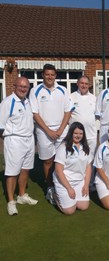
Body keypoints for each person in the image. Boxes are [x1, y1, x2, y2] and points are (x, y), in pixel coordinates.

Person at [29, 63, 73, 204]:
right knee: (48, 161)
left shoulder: (63, 90)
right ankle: (50, 187)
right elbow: (35, 114)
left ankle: (62, 184)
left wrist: (60, 130)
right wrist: (48, 131)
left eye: (52, 75)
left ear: (55, 76)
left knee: (62, 160)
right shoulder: (34, 91)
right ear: (43, 75)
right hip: (43, 132)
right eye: (47, 74)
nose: (50, 77)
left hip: (62, 130)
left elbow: (68, 111)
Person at [0, 77, 38, 215]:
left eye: (26, 87)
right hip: (14, 141)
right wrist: (9, 140)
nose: (23, 89)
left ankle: (22, 196)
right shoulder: (7, 102)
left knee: (25, 169)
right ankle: (11, 201)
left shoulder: (27, 101)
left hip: (29, 139)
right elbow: (0, 126)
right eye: (21, 86)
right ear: (14, 86)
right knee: (12, 172)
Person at [52, 122, 92, 215]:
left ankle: (71, 198)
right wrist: (69, 188)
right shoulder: (63, 147)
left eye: (81, 134)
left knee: (83, 206)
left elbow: (88, 167)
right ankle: (54, 195)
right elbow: (58, 171)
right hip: (64, 182)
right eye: (76, 133)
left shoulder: (85, 147)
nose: (78, 136)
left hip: (79, 181)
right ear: (71, 133)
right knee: (69, 211)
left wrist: (86, 185)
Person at [70, 75, 97, 157]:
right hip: (76, 136)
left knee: (90, 159)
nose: (84, 85)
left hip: (91, 135)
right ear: (77, 83)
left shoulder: (94, 98)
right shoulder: (71, 97)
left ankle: (90, 171)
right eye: (82, 83)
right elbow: (67, 115)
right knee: (76, 157)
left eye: (86, 83)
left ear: (89, 85)